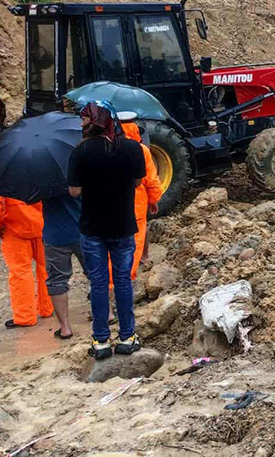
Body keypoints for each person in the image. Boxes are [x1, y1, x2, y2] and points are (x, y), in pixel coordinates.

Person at [68, 102, 146, 360]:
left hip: (92, 227)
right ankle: (127, 337)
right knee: (123, 281)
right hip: (123, 226)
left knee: (99, 282)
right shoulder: (133, 148)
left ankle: (100, 341)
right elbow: (137, 182)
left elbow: (74, 191)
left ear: (94, 122)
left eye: (84, 119)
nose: (81, 124)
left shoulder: (80, 152)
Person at [0, 193, 53, 329]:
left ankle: (25, 316)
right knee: (46, 267)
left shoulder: (0, 174)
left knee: (20, 272)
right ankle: (47, 307)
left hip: (14, 229)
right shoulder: (42, 171)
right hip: (42, 225)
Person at [114, 112, 162, 282]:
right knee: (134, 242)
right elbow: (151, 179)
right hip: (136, 205)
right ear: (135, 129)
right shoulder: (141, 151)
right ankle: (127, 278)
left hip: (110, 205)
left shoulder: (106, 147)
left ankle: (111, 280)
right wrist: (153, 200)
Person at [42, 194, 85, 340]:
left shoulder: (41, 176)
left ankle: (65, 328)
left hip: (55, 235)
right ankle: (108, 313)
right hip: (83, 230)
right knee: (95, 273)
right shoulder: (79, 172)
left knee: (57, 280)